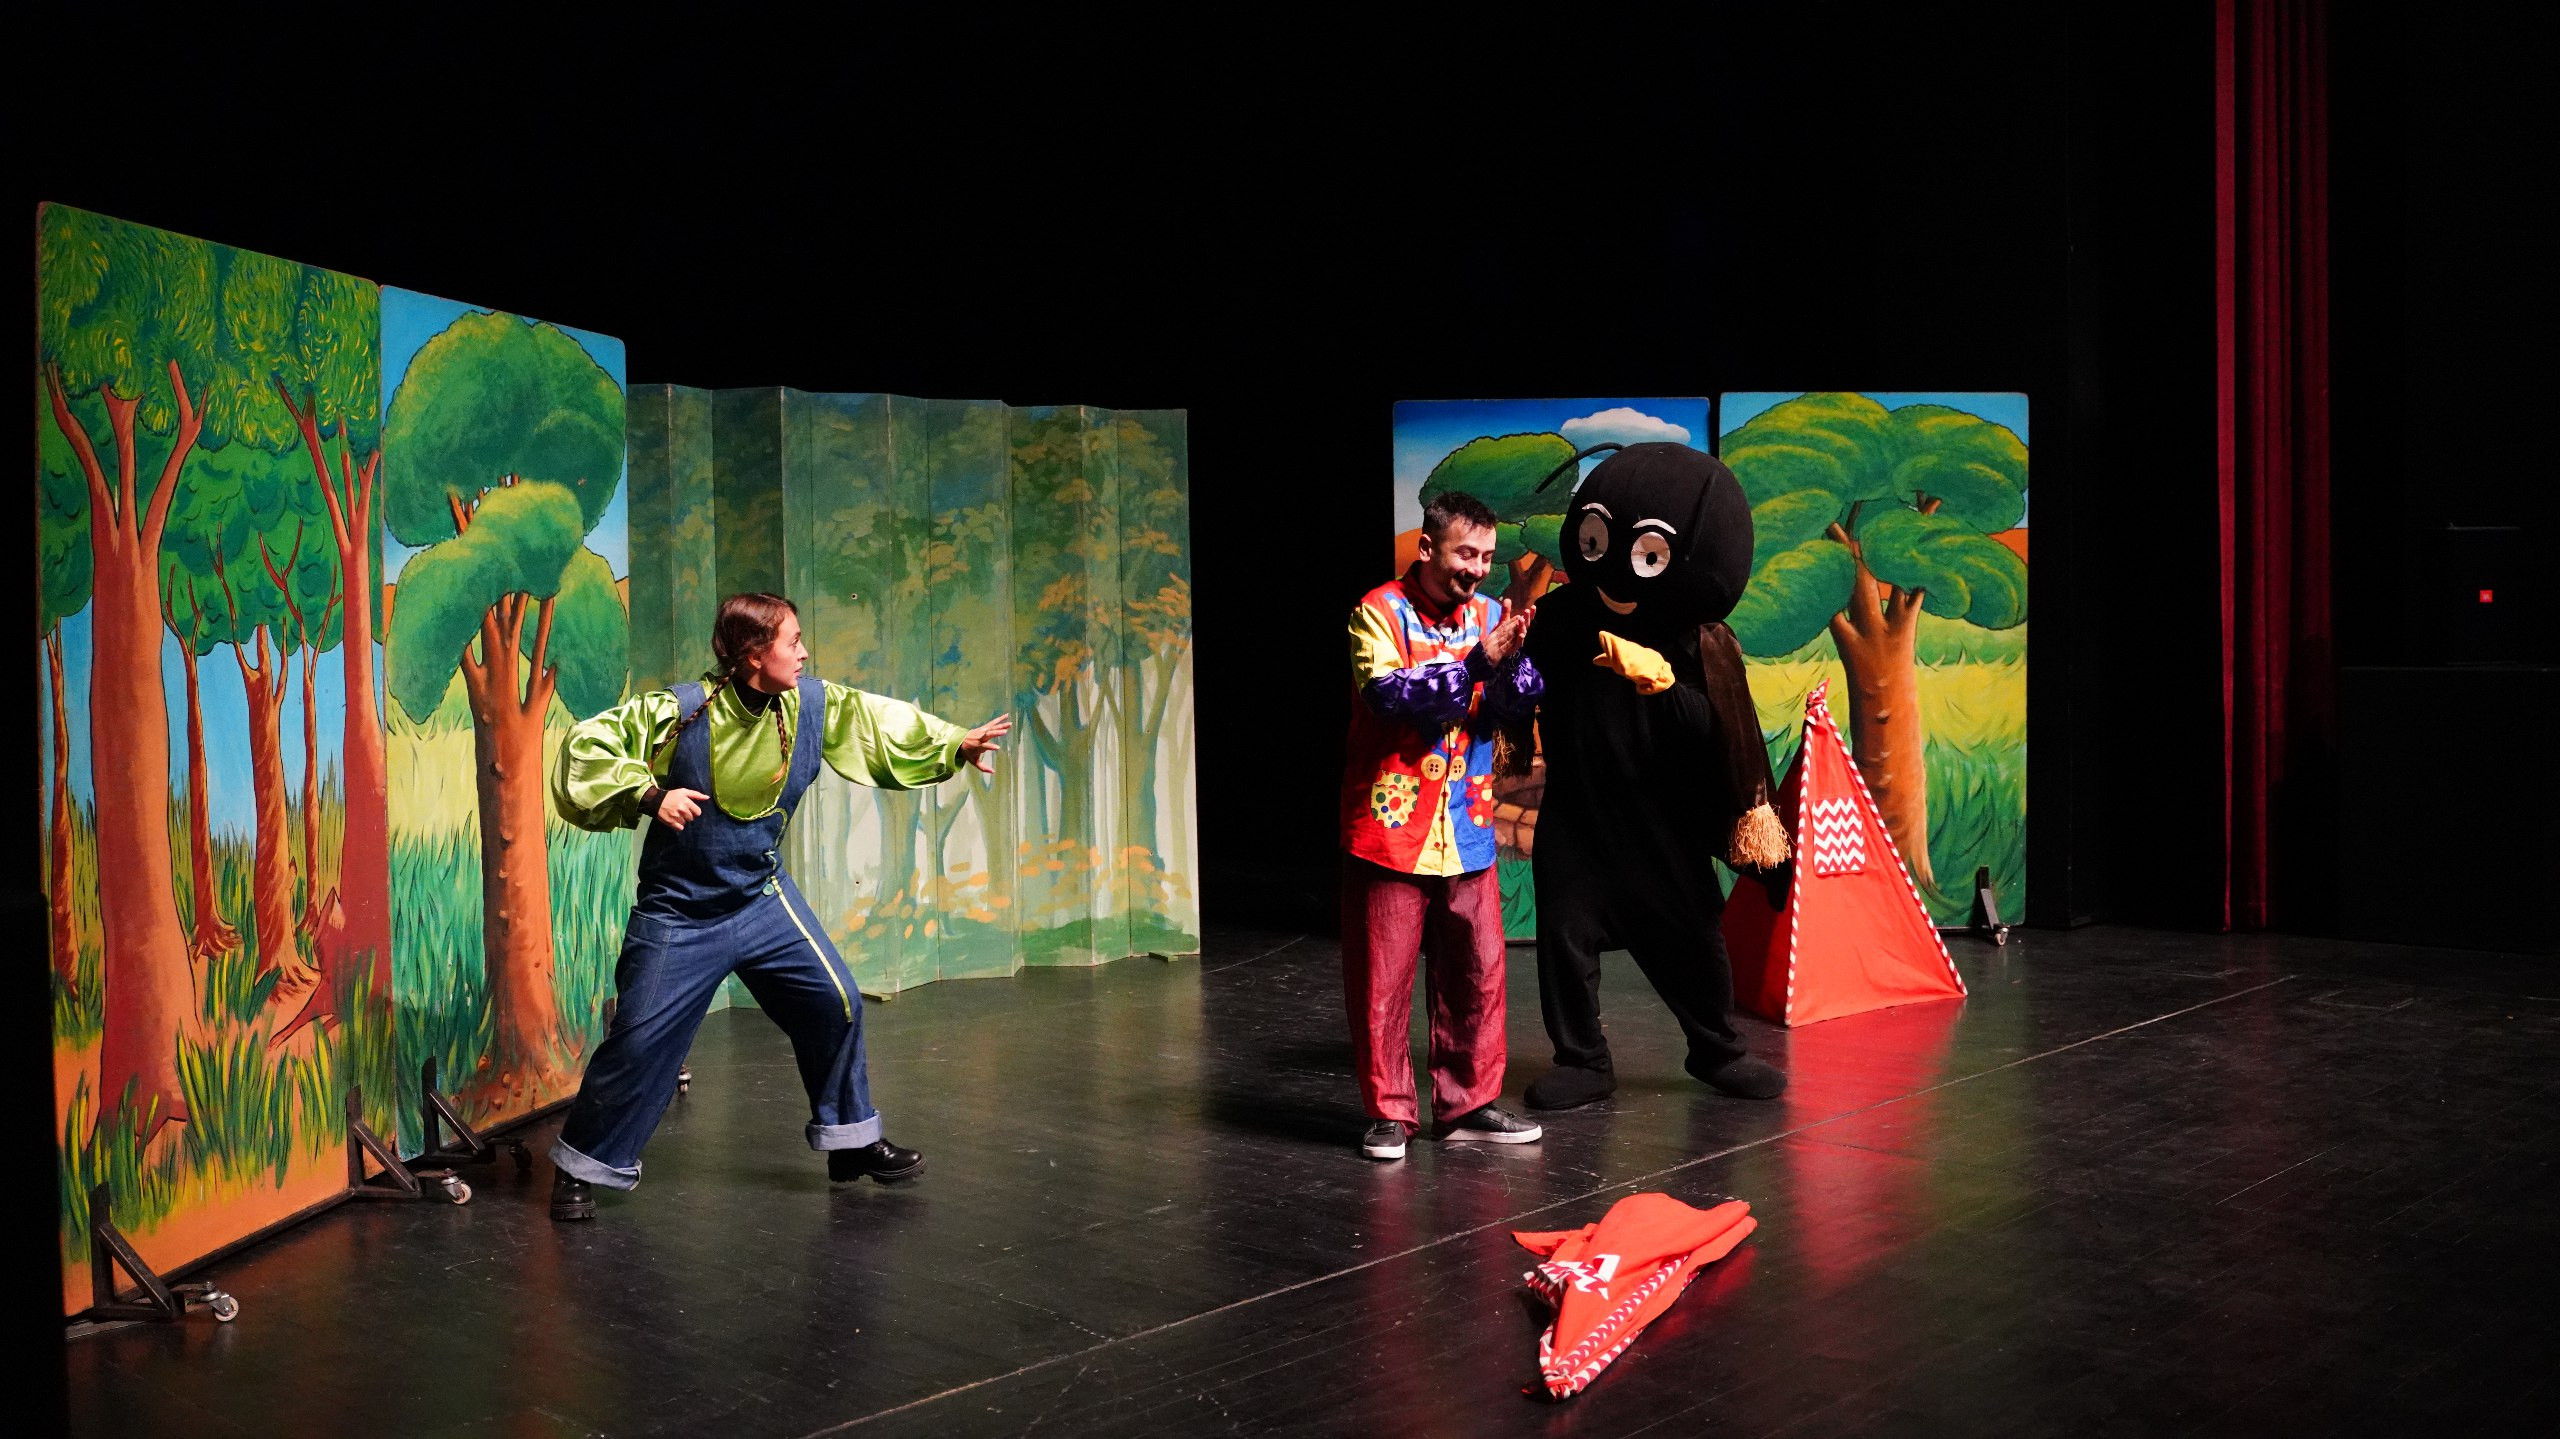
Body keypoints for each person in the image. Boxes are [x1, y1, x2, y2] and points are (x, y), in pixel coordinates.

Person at [545, 592, 1009, 1220]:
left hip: (761, 897)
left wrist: (954, 744)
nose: (804, 652)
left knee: (834, 1002)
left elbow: (880, 723)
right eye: (793, 641)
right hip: (681, 913)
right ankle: (580, 1167)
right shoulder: (680, 710)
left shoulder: (811, 704)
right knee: (640, 1040)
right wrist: (650, 795)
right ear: (752, 653)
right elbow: (588, 746)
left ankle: (851, 1142)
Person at [1521, 443, 1790, 1113]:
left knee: (1693, 936)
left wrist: (1663, 684)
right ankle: (1582, 1059)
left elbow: (1716, 733)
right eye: (1598, 543)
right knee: (1564, 938)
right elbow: (1526, 684)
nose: (1617, 571)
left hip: (1662, 820)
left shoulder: (1701, 641)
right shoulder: (1562, 618)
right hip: (1579, 814)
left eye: (1645, 555)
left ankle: (1718, 1050)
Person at [1340, 491, 1546, 1161]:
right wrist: (1479, 663)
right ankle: (1388, 1112)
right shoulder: (1377, 612)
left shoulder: (1491, 615)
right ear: (1428, 547)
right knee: (1383, 979)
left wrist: (1517, 663)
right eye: (1466, 554)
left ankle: (1469, 1104)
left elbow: (1514, 706)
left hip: (1467, 822)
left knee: (1479, 972)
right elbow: (1390, 696)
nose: (1478, 569)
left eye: (1486, 557)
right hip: (1392, 826)